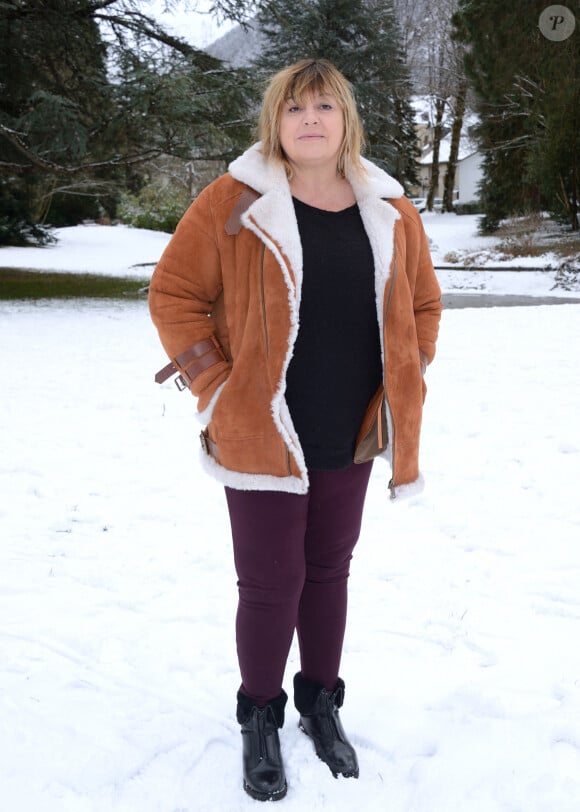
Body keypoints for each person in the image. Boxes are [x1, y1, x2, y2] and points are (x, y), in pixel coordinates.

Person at [149, 58, 442, 802]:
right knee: (271, 581)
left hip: (350, 430)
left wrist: (404, 374)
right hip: (262, 431)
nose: (309, 120)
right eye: (294, 109)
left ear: (346, 118)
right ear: (274, 122)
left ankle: (319, 702)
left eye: (323, 106)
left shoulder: (391, 208)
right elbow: (174, 292)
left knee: (328, 571)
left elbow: (423, 306)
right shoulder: (235, 201)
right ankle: (260, 716)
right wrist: (217, 384)